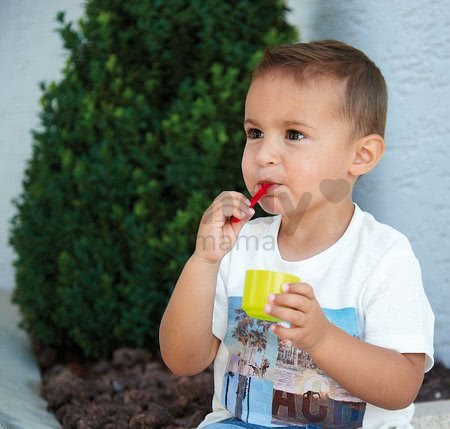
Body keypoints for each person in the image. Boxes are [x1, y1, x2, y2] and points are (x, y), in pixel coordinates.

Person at [159, 40, 434, 429]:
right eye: (254, 132)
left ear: (361, 156)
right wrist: (204, 260)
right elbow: (181, 360)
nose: (264, 155)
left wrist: (323, 340)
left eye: (293, 134)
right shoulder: (241, 245)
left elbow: (402, 386)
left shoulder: (383, 255)